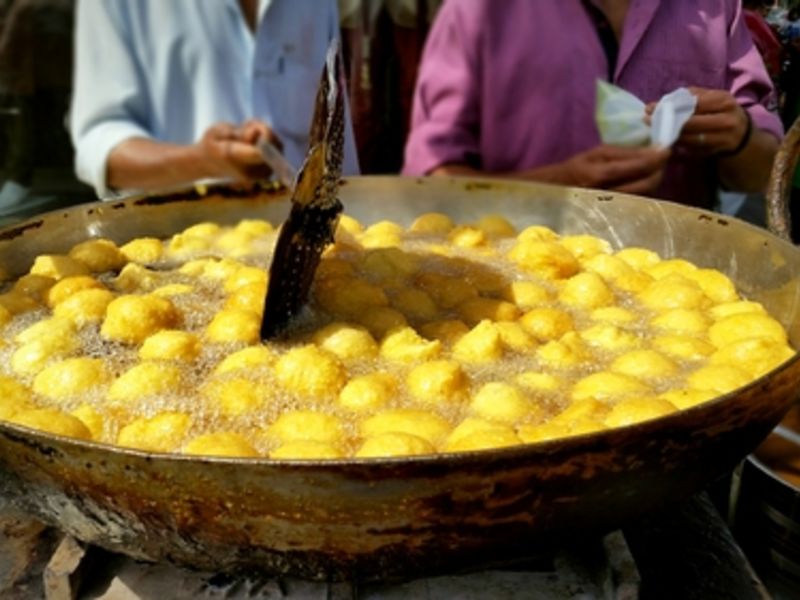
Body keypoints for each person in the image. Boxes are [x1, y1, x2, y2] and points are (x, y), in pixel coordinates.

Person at [403, 0, 783, 210]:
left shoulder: (713, 9)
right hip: (515, 292)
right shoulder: (479, 10)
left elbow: (764, 171)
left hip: (676, 299)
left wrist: (740, 137)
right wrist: (559, 184)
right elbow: (426, 186)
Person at [70, 0, 359, 199]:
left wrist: (354, 219)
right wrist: (201, 162)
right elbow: (98, 142)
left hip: (309, 256)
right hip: (172, 258)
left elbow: (333, 122)